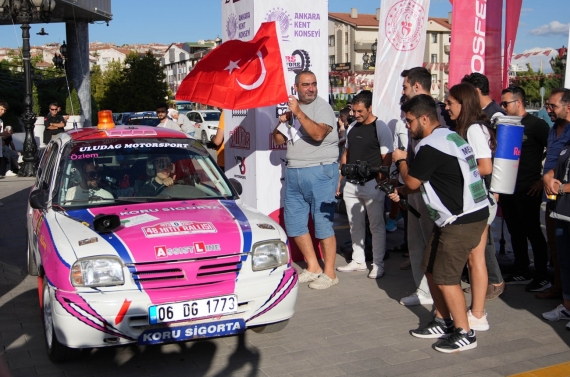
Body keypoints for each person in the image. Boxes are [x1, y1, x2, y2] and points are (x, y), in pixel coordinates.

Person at [389, 94, 489, 353]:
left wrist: (400, 160)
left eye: (409, 121)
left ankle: (465, 332)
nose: (408, 127)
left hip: (462, 219)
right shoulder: (449, 136)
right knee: (431, 268)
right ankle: (443, 321)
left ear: (424, 118)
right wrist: (400, 188)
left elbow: (412, 182)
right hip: (461, 216)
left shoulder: (430, 145)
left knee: (445, 277)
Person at [272, 70, 339, 290]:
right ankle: (313, 267)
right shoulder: (293, 111)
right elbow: (278, 138)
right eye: (306, 85)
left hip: (320, 171)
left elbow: (319, 134)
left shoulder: (323, 107)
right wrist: (283, 121)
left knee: (323, 224)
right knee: (295, 224)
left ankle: (330, 273)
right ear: (296, 88)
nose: (311, 88)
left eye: (314, 84)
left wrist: (298, 113)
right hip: (294, 172)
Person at [397, 67, 453, 306]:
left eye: (405, 86)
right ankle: (423, 291)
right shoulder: (409, 113)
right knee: (416, 239)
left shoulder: (441, 113)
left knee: (433, 240)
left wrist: (401, 162)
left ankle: (441, 294)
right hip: (415, 183)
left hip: (433, 188)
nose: (403, 90)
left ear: (417, 86)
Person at [445, 82, 498, 332]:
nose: (446, 107)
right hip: (470, 202)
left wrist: (456, 171)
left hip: (478, 202)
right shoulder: (466, 127)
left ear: (463, 103)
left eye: (450, 103)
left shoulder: (475, 129)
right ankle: (476, 311)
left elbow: (485, 167)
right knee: (472, 258)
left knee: (476, 259)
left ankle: (478, 313)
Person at [498, 86, 550, 292]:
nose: (502, 107)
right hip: (508, 188)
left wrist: (541, 180)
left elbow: (554, 153)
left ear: (518, 102)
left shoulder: (537, 125)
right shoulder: (505, 124)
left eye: (505, 103)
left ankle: (542, 274)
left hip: (529, 188)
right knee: (515, 231)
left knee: (533, 232)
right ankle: (522, 268)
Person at [336, 91, 393, 278]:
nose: (356, 114)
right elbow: (346, 154)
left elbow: (387, 157)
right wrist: (340, 181)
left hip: (372, 184)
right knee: (354, 224)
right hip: (351, 183)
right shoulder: (352, 126)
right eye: (354, 110)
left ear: (370, 108)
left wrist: (380, 180)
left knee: (376, 226)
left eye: (360, 111)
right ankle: (358, 260)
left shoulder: (381, 127)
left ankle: (378, 263)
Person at [460, 73, 507, 300]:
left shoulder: (487, 120)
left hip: (485, 190)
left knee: (479, 246)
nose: (448, 108)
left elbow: (488, 163)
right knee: (478, 246)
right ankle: (486, 284)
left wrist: (494, 189)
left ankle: (493, 283)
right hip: (482, 191)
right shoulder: (475, 123)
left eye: (453, 102)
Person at [538, 88, 570, 300]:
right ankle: (560, 289)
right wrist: (545, 179)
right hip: (551, 196)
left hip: (565, 195)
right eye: (547, 105)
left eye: (553, 106)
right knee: (556, 245)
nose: (548, 109)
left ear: (568, 107)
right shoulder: (552, 129)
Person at [541, 134, 570, 330]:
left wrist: (562, 189)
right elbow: (558, 167)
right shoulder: (568, 144)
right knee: (565, 262)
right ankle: (567, 307)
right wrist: (548, 176)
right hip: (562, 212)